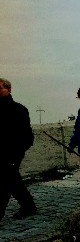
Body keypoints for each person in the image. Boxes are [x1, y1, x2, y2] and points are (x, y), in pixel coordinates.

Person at [0, 78, 38, 221]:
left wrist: (16, 155)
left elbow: (25, 135)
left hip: (12, 153)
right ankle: (29, 206)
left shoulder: (19, 109)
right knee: (13, 180)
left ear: (8, 89)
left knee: (4, 182)